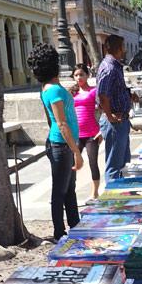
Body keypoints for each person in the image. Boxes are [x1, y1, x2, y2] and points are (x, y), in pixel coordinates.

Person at [27, 43, 83, 241]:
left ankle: (75, 225)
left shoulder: (51, 87)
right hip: (62, 146)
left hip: (63, 145)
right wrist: (76, 151)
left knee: (69, 189)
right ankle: (60, 232)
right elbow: (61, 123)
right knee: (61, 191)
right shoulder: (53, 91)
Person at [96, 35, 132, 182]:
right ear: (119, 47)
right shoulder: (109, 67)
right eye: (124, 46)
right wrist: (110, 116)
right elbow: (103, 95)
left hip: (121, 119)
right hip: (115, 121)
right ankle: (112, 200)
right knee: (114, 166)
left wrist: (129, 95)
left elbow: (113, 91)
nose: (125, 49)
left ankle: (122, 195)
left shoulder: (115, 66)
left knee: (123, 163)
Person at [71, 63, 102, 203]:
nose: (79, 77)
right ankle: (68, 193)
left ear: (87, 75)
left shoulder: (94, 91)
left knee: (92, 163)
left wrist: (101, 130)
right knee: (72, 164)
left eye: (81, 74)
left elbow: (104, 109)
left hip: (91, 134)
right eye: (76, 75)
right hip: (76, 135)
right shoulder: (72, 93)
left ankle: (95, 193)